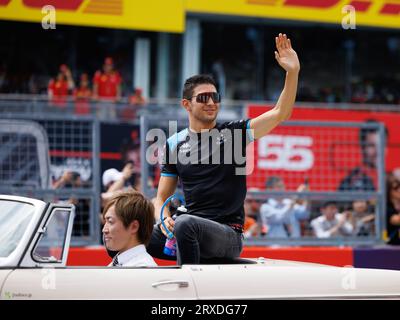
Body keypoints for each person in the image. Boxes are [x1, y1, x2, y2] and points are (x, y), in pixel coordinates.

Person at [147, 33, 300, 265]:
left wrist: (292, 73)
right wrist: (164, 219)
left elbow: (281, 113)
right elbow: (160, 199)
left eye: (215, 97)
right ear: (186, 105)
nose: (211, 102)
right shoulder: (173, 144)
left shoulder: (234, 133)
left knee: (186, 225)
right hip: (186, 226)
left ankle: (189, 288)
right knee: (128, 229)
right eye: (204, 98)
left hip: (227, 234)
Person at [102, 190, 157, 267]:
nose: (104, 230)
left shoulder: (143, 267)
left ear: (134, 227)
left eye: (110, 222)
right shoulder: (118, 262)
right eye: (105, 222)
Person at [338, 119, 387, 191]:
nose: (377, 152)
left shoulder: (392, 180)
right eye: (371, 145)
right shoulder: (354, 181)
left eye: (382, 145)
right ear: (362, 147)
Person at [386, 173, 400, 245]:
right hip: (390, 246)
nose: (399, 190)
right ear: (388, 191)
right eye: (395, 188)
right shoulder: (386, 207)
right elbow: (397, 220)